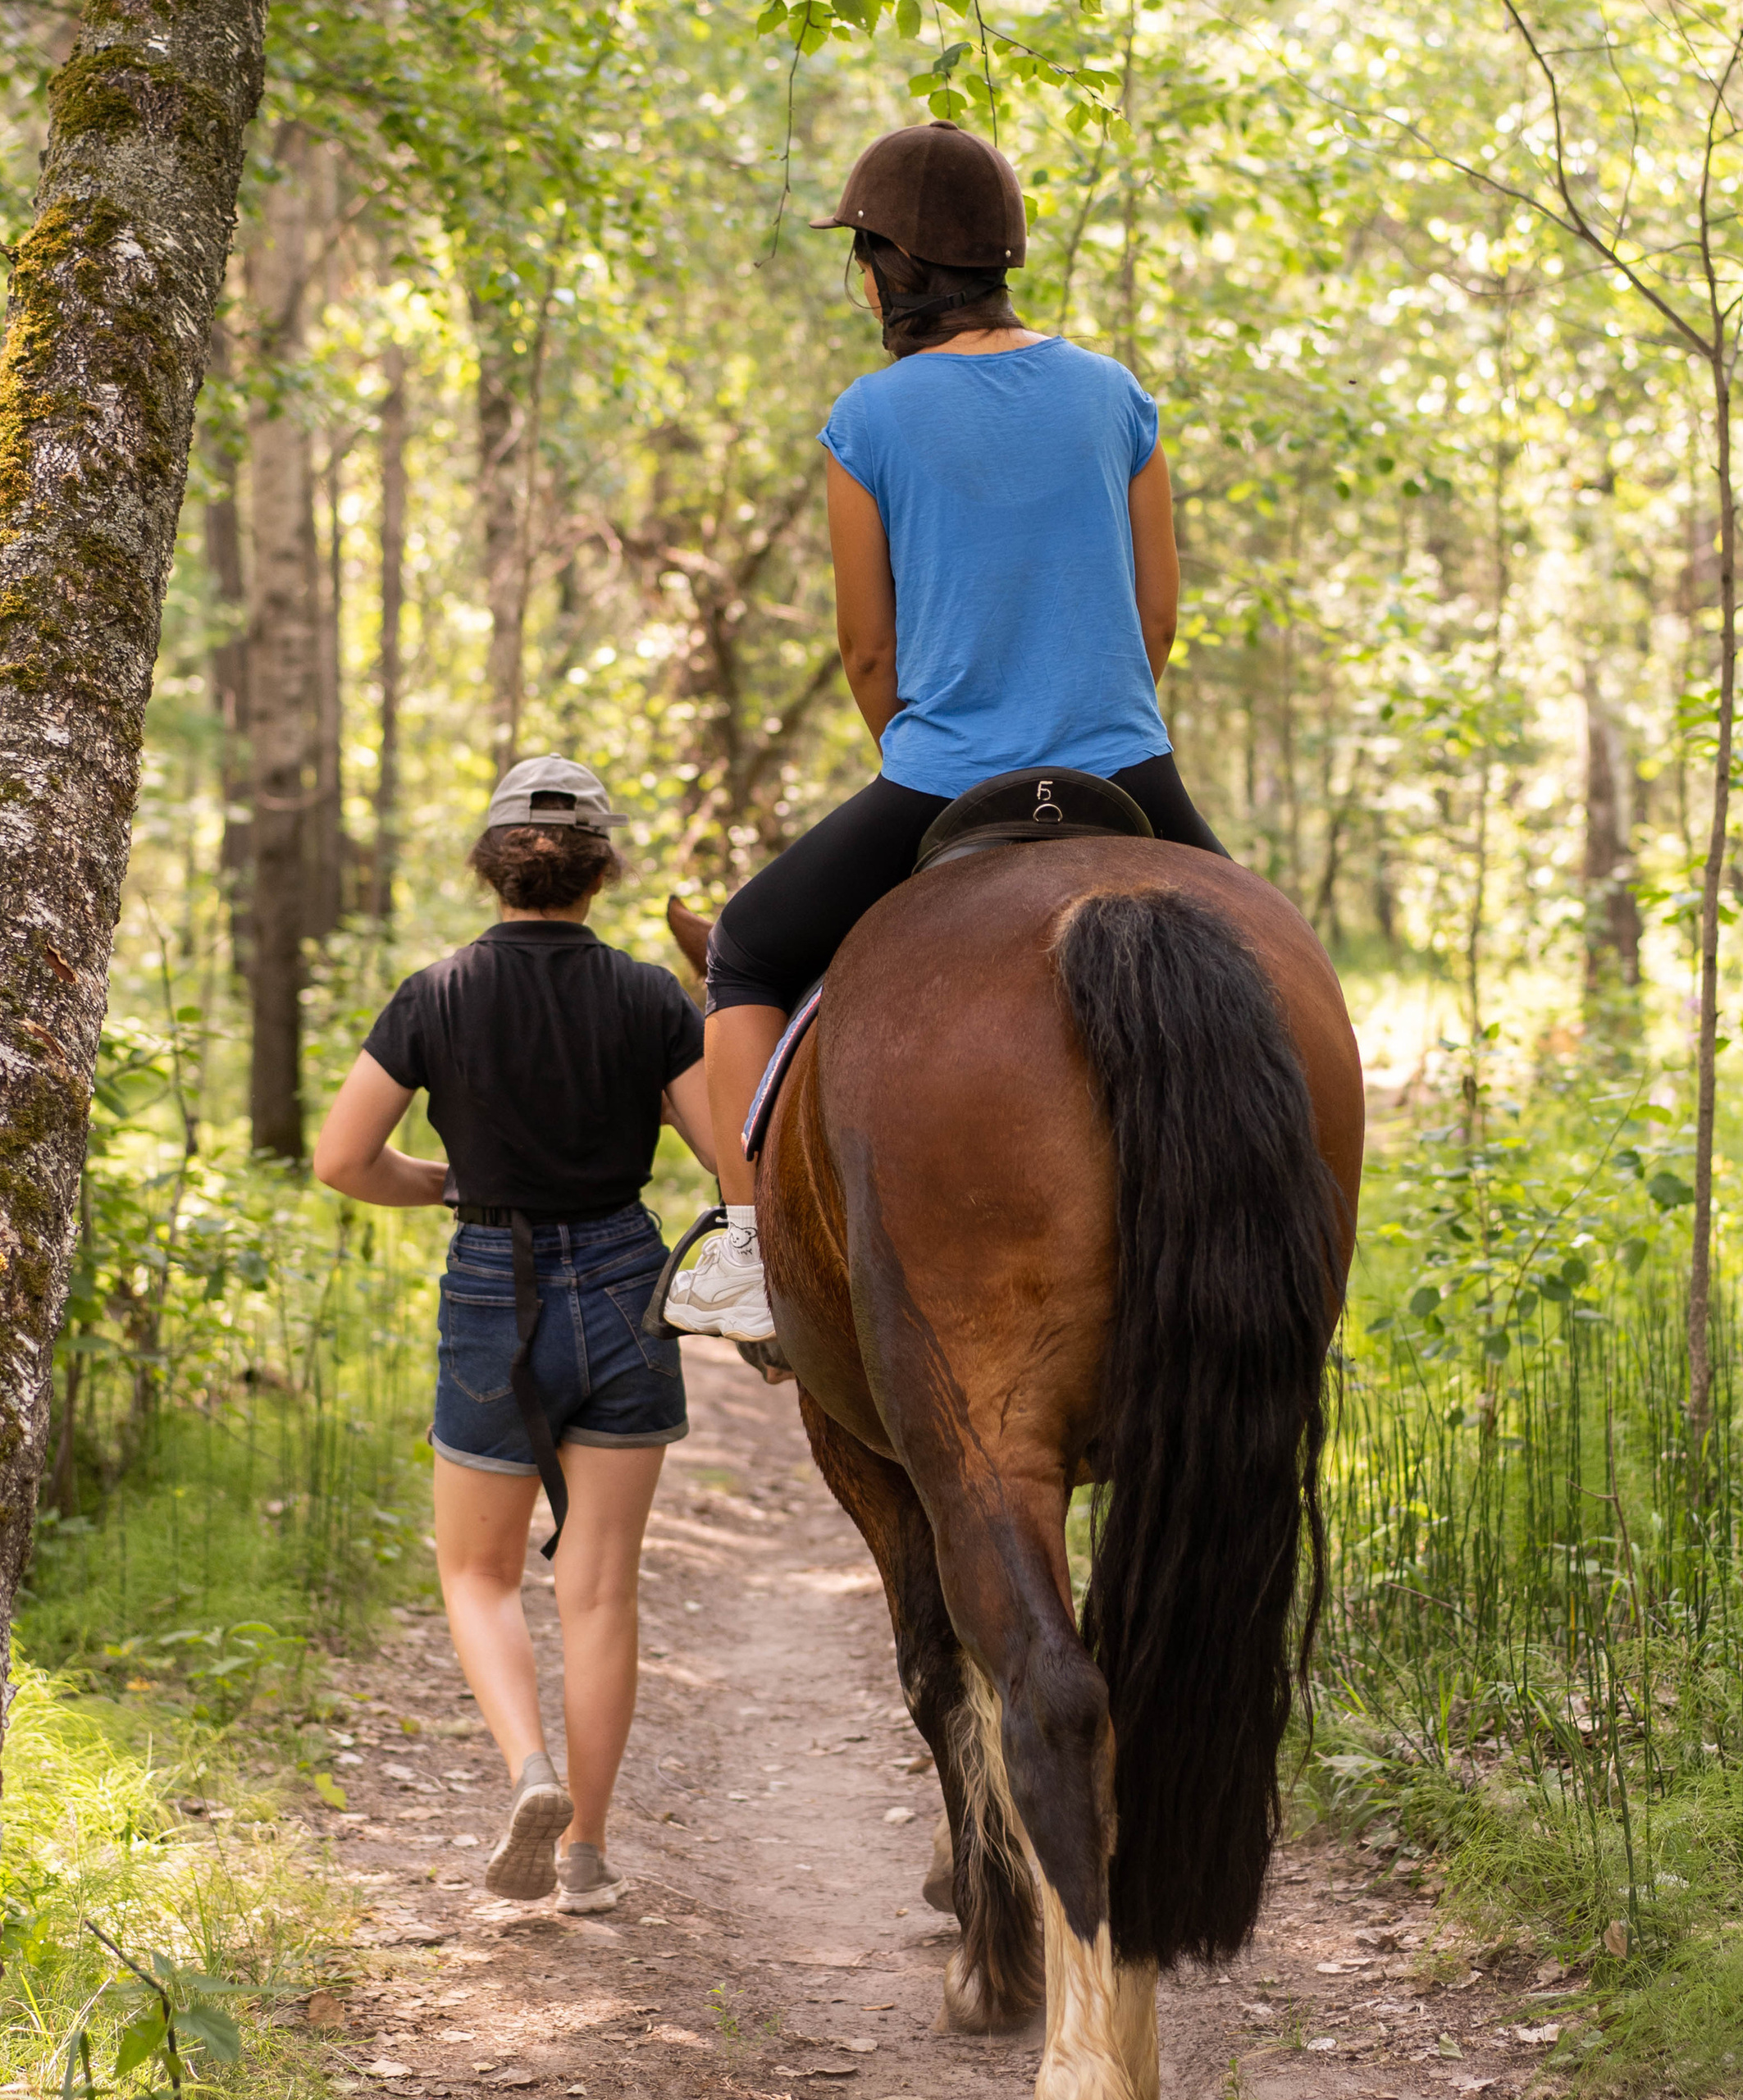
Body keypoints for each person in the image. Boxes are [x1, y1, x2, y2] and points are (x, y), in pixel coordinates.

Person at [663, 118, 1227, 1345]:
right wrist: (1100, 718)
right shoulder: (1114, 395)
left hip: (946, 777)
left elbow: (870, 652)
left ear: (887, 269)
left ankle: (749, 1250)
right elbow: (1159, 609)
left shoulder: (867, 421)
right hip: (1124, 763)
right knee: (1264, 964)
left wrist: (924, 750)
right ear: (1001, 258)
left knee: (748, 951)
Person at [313, 757, 714, 1915]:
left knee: (478, 1573)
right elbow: (726, 1164)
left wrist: (447, 1184)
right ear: (602, 870)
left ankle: (527, 1770)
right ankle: (586, 1852)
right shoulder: (649, 997)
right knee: (599, 1591)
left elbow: (344, 1159)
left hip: (495, 1279)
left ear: (492, 863)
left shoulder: (434, 994)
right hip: (629, 1282)